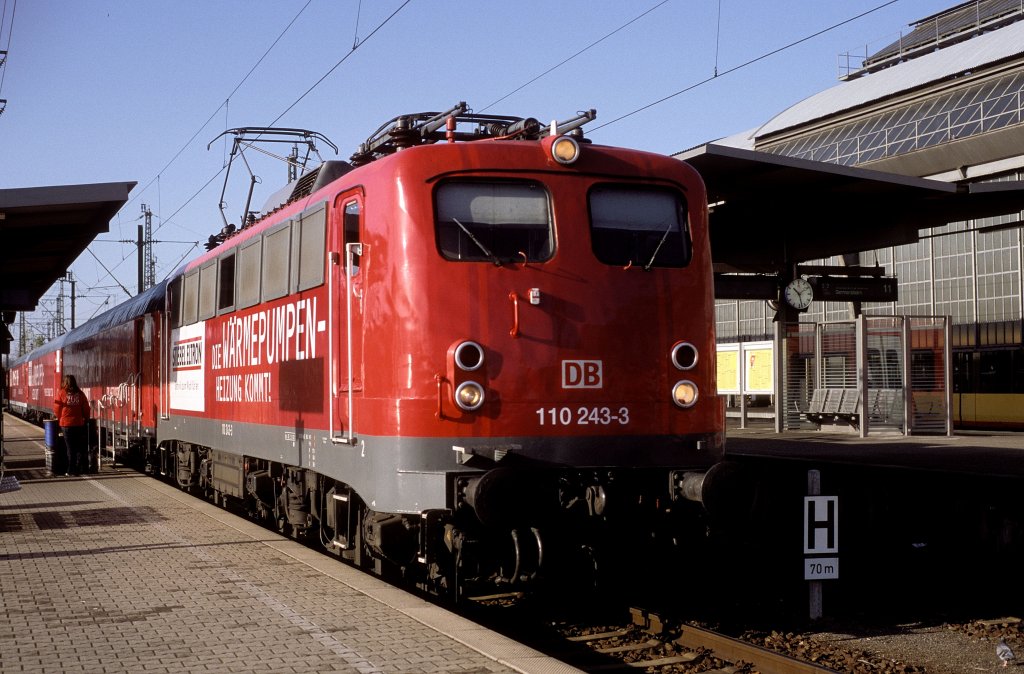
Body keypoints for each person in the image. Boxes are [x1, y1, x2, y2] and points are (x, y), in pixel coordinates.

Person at [54, 374, 91, 476]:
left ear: (65, 383)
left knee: (70, 448)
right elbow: (86, 408)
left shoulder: (61, 393)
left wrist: (60, 418)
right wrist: (86, 418)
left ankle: (71, 470)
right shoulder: (80, 394)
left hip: (66, 425)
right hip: (78, 424)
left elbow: (57, 409)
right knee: (78, 447)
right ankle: (79, 468)